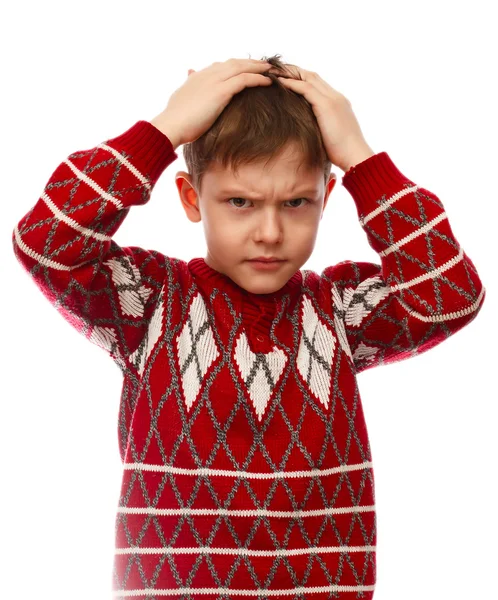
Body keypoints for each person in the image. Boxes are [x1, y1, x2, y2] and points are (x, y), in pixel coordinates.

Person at [11, 55, 486, 599]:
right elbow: (46, 241)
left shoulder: (339, 309)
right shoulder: (147, 301)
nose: (269, 231)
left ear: (326, 197)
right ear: (193, 198)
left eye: (296, 202)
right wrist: (163, 132)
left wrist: (362, 160)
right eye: (240, 202)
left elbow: (451, 296)